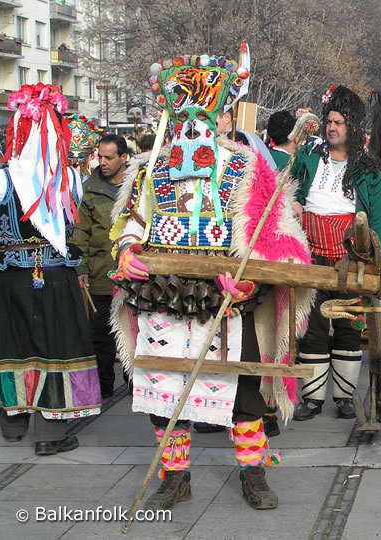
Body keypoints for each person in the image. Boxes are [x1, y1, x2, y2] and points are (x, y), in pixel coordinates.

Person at [109, 52, 313, 511]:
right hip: (162, 294)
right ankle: (174, 476)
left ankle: (253, 474)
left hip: (228, 296)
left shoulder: (245, 166)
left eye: (206, 111)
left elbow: (269, 229)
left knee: (242, 390)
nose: (194, 121)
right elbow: (133, 217)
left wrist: (248, 275)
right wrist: (127, 249)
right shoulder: (150, 165)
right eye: (183, 112)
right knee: (164, 390)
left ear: (223, 112)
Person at [0, 83, 102, 455]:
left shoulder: (4, 177)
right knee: (55, 347)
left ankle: (13, 423)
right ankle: (50, 434)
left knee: (14, 343)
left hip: (11, 276)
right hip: (57, 276)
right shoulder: (69, 179)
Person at [290, 85, 381, 421]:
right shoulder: (307, 157)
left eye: (340, 122)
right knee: (314, 325)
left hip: (351, 259)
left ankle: (344, 397)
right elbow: (290, 190)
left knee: (349, 325)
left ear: (353, 127)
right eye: (329, 121)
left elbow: (376, 222)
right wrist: (292, 201)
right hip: (312, 256)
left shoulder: (369, 170)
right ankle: (313, 399)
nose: (332, 127)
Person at [70, 134, 129, 399]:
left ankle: (135, 384)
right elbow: (79, 233)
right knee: (100, 337)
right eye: (100, 157)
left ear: (123, 158)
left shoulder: (138, 184)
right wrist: (80, 268)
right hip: (100, 274)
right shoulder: (89, 189)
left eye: (109, 157)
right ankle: (102, 387)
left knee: (132, 334)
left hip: (134, 275)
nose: (102, 162)